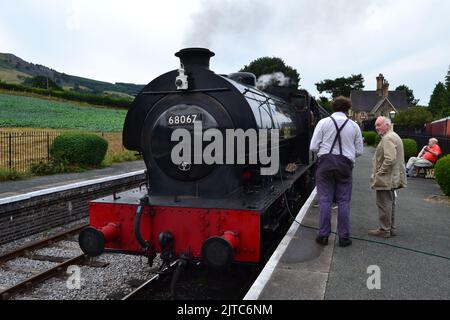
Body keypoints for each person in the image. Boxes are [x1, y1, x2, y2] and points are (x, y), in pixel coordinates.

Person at [310, 96, 364, 247]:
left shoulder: (323, 123)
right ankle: (344, 238)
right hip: (345, 164)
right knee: (343, 201)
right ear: (347, 109)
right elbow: (359, 151)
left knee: (325, 200)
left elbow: (313, 147)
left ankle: (323, 236)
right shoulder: (354, 126)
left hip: (325, 163)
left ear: (333, 107)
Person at [369, 116, 407, 238]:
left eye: (379, 125)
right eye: (376, 125)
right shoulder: (394, 136)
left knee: (384, 203)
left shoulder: (387, 138)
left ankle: (384, 230)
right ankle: (390, 228)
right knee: (390, 203)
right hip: (393, 176)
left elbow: (390, 159)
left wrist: (379, 172)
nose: (376, 128)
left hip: (386, 178)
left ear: (387, 124)